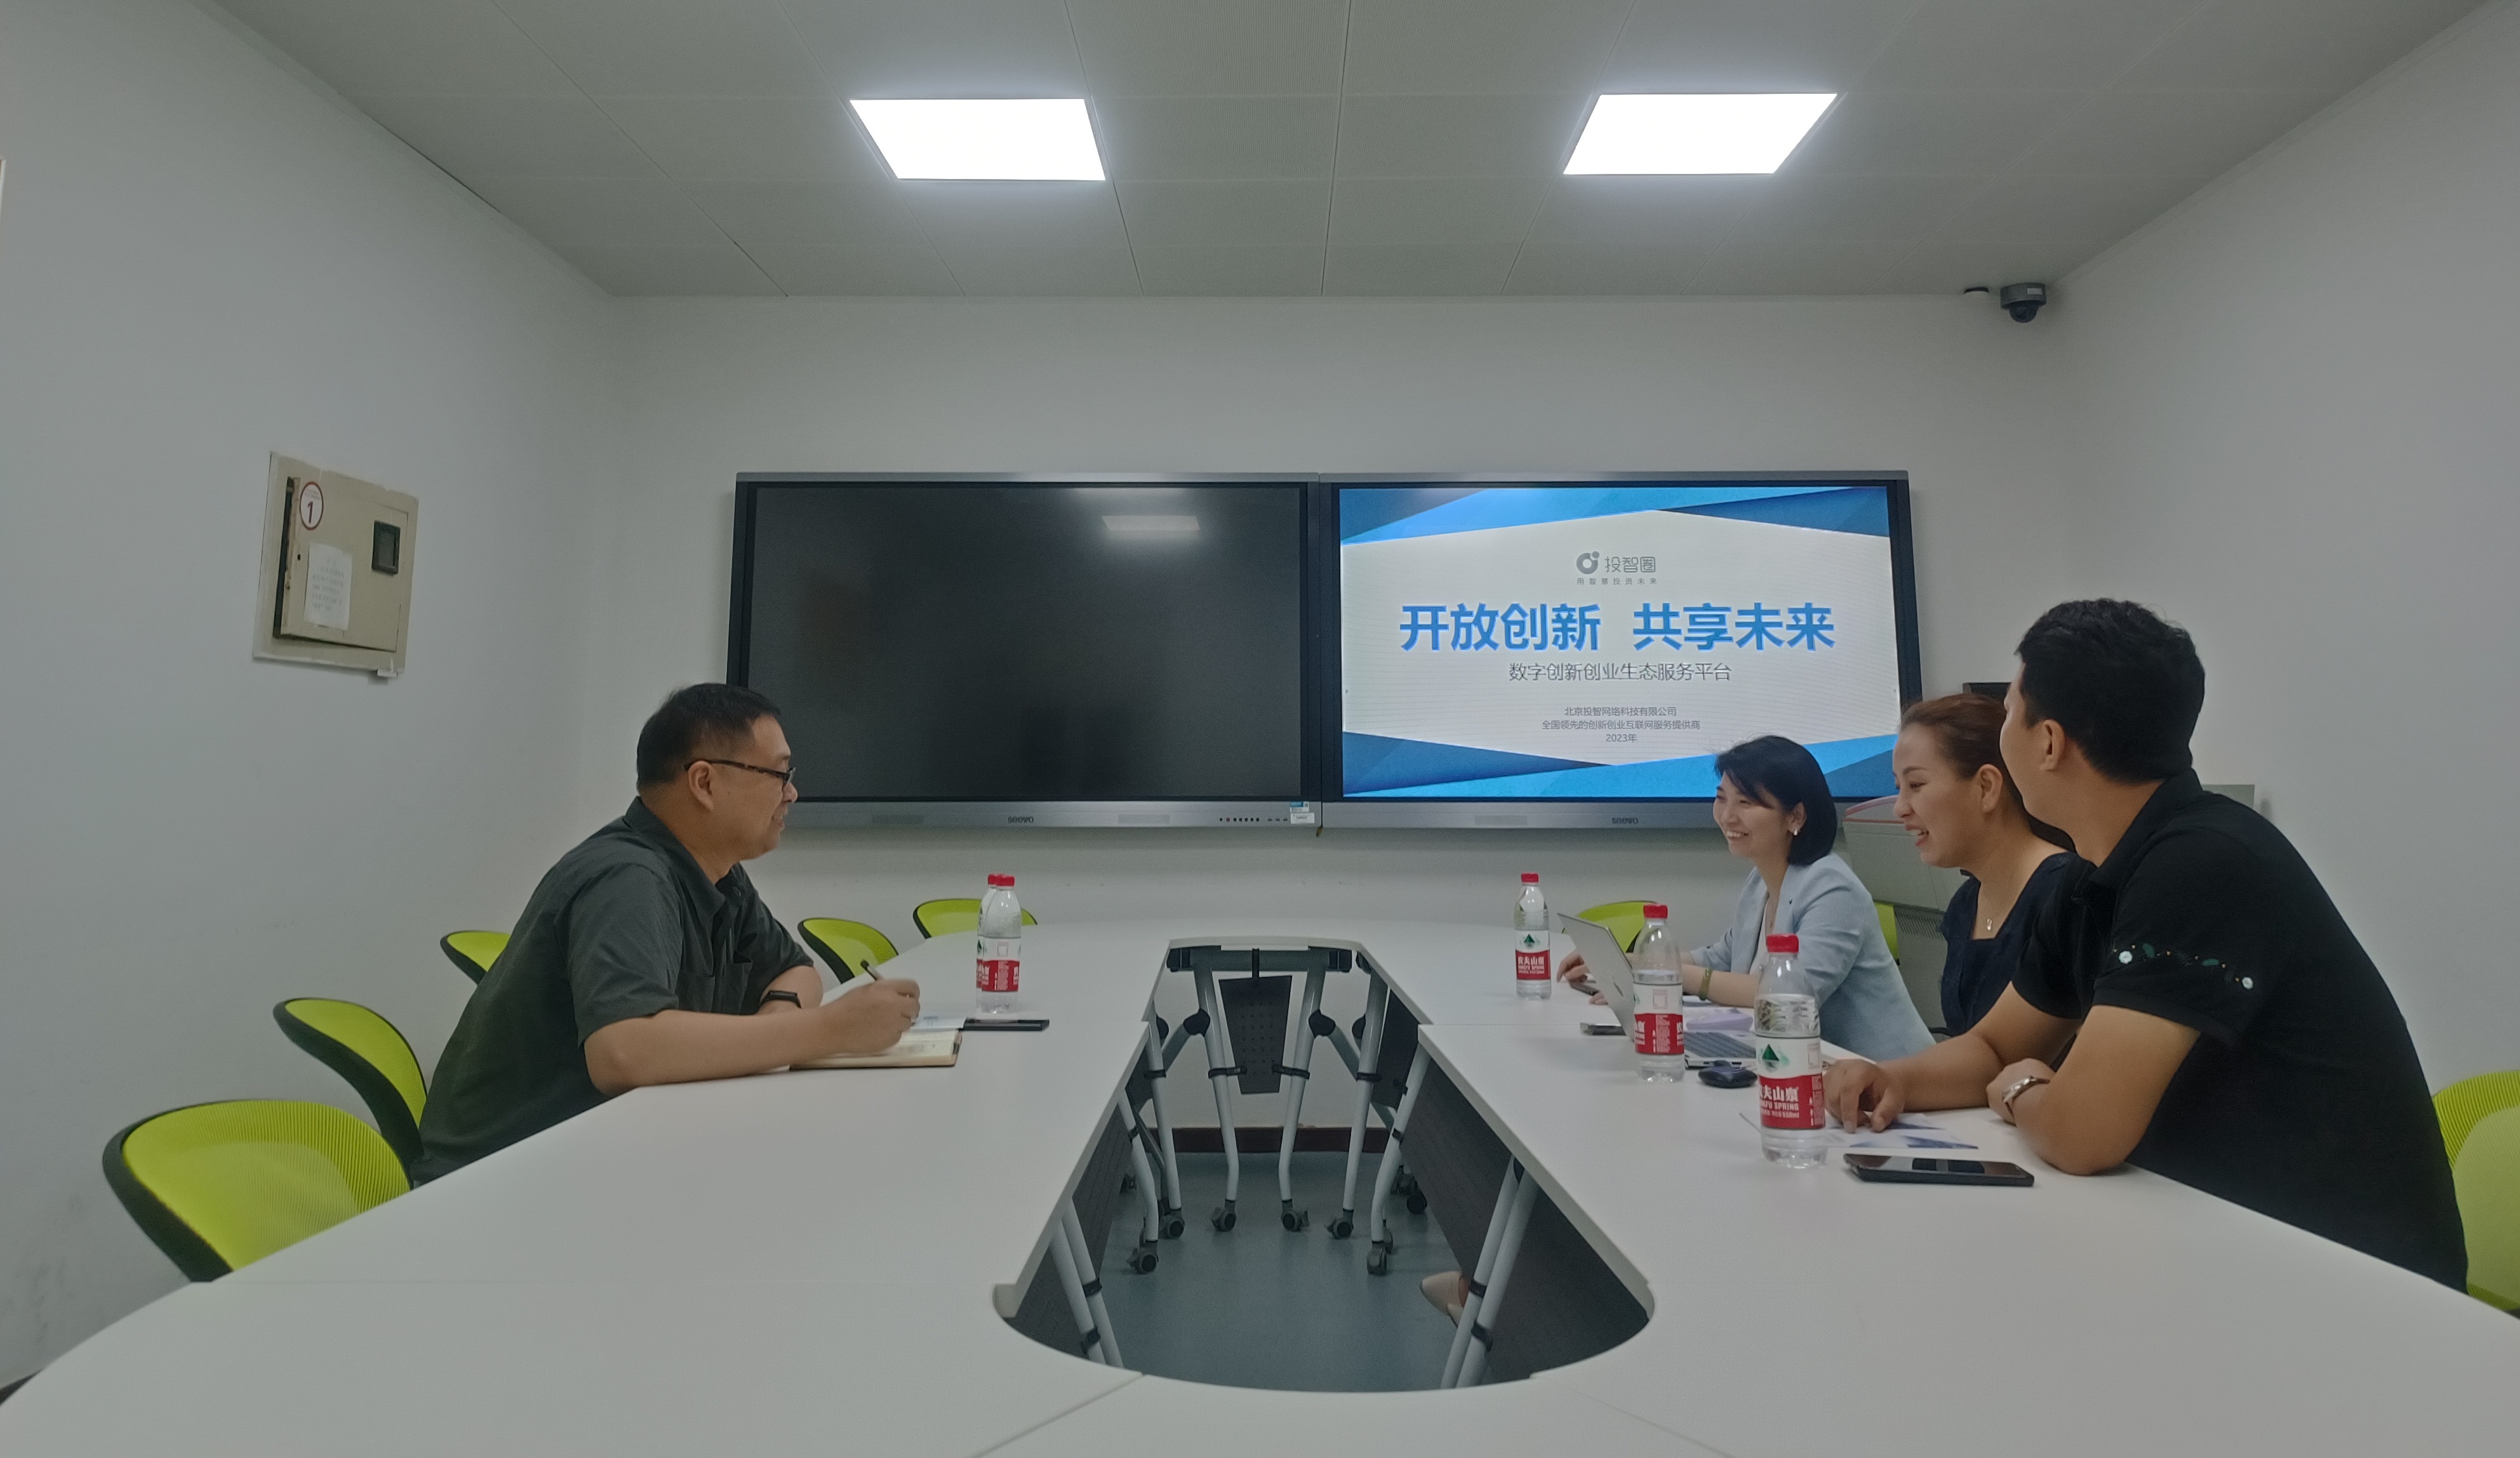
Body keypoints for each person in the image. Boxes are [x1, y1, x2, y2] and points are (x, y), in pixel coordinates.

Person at [1826, 600, 2463, 1287]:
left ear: (2048, 743)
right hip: (2219, 1237)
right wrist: (1898, 1081)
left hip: (2354, 1277)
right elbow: (1995, 1044)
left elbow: (2079, 1130)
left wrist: (2023, 1089)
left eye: (2009, 710)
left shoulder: (2203, 862)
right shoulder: (2090, 878)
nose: (2003, 729)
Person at [414, 685, 921, 1182]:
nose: (791, 792)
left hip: (609, 1152)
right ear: (704, 782)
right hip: (498, 1180)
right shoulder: (627, 877)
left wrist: (779, 1024)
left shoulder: (717, 871)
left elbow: (795, 969)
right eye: (778, 773)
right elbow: (623, 1050)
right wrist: (826, 1030)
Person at [1559, 735, 1933, 1063]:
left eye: (1747, 803)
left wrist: (1667, 975)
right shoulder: (1761, 881)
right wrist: (1628, 962)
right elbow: (1720, 958)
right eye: (1721, 799)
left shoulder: (1832, 887)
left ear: (1795, 816)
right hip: (1805, 1066)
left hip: (1889, 1078)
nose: (1727, 816)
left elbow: (1786, 995)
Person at [1892, 694, 2074, 1034]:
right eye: (1899, 787)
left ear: (1987, 787)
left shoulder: (2065, 895)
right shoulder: (1965, 904)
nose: (1900, 808)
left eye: (1915, 785)